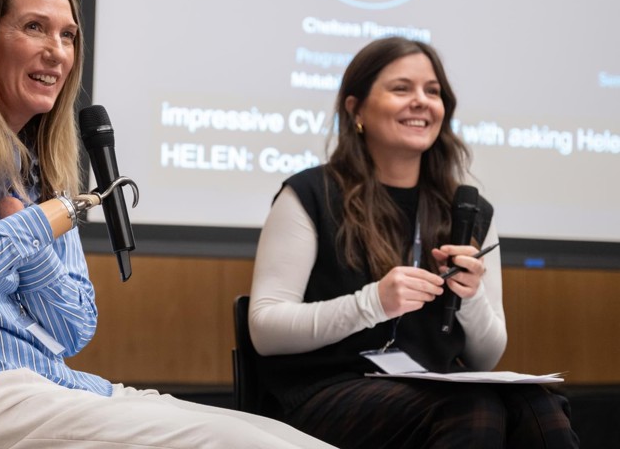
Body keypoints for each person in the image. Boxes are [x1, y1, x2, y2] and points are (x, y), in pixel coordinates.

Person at [0, 0, 333, 449]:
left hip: (56, 392)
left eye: (68, 36)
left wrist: (33, 240)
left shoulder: (39, 170)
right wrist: (38, 224)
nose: (57, 52)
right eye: (35, 28)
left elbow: (75, 326)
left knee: (280, 437)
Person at [248, 37, 579, 448]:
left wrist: (471, 297)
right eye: (401, 88)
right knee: (471, 407)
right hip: (324, 391)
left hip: (430, 386)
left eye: (433, 91)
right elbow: (265, 328)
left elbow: (486, 358)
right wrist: (373, 303)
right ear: (356, 110)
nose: (422, 101)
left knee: (538, 404)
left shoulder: (468, 210)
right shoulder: (310, 195)